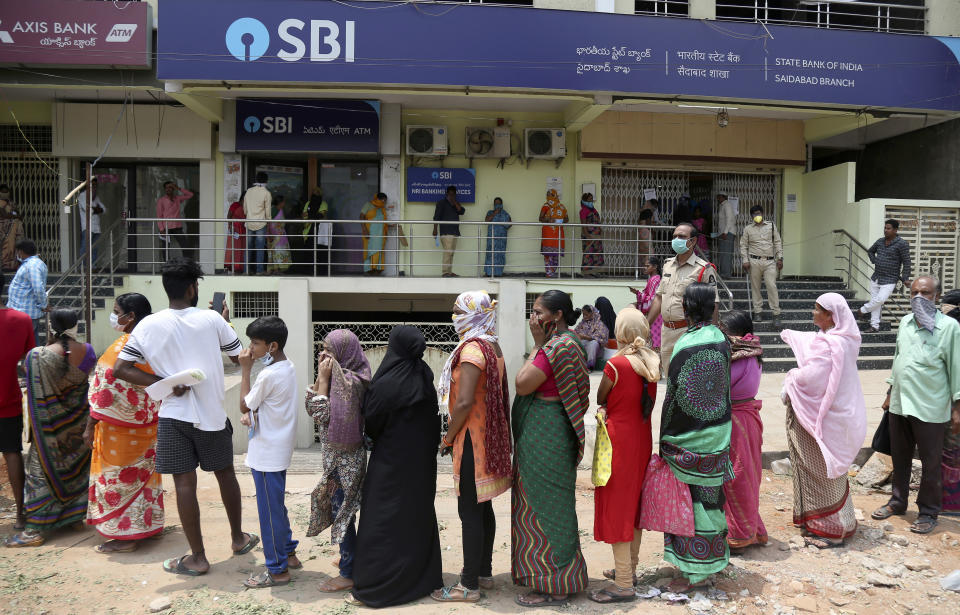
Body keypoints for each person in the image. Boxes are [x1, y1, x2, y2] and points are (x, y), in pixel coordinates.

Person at [113, 257, 255, 575]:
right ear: (192, 288)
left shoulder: (147, 325)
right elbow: (239, 355)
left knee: (184, 484)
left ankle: (198, 557)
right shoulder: (211, 320)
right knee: (225, 474)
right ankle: (237, 538)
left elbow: (121, 368)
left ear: (167, 289)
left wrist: (163, 384)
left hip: (173, 416)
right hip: (212, 415)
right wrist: (223, 324)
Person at [349, 326, 443, 607]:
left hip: (390, 462)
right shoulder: (425, 375)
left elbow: (373, 421)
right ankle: (421, 578)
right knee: (416, 515)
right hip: (420, 463)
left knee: (382, 517)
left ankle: (377, 585)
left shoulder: (387, 382)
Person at [432, 291, 512, 603]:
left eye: (458, 311)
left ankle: (468, 586)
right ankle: (484, 572)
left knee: (469, 511)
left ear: (474, 313)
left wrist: (448, 438)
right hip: (488, 435)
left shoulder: (472, 351)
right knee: (483, 506)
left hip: (472, 440)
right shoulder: (491, 343)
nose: (454, 317)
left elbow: (463, 402)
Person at [511, 290, 589, 607]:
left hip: (547, 433)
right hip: (549, 430)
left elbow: (522, 383)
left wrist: (537, 344)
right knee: (550, 502)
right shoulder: (571, 342)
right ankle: (556, 576)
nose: (534, 318)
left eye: (538, 311)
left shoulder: (555, 347)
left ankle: (556, 582)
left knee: (547, 505)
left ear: (556, 316)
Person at [656, 283, 732, 590]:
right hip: (718, 434)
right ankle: (709, 563)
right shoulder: (721, 339)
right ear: (712, 308)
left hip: (687, 438)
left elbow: (675, 395)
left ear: (687, 310)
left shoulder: (685, 344)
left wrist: (665, 435)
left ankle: (695, 573)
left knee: (689, 504)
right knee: (710, 502)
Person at [871, 276, 960, 534]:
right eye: (914, 293)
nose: (919, 297)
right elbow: (899, 358)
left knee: (931, 463)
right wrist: (890, 391)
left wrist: (957, 407)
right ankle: (898, 502)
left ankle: (928, 512)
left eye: (925, 293)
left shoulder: (950, 328)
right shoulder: (905, 323)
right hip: (900, 403)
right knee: (900, 457)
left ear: (937, 296)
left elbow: (956, 367)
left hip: (930, 407)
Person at [5, 309, 96, 547]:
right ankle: (74, 518)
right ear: (77, 325)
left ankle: (35, 530)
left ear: (50, 325)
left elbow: (27, 375)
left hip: (49, 432)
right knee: (77, 471)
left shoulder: (36, 355)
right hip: (77, 427)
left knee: (40, 472)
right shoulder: (88, 351)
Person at [781, 293, 865, 547]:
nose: (812, 313)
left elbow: (811, 379)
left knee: (815, 467)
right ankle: (843, 520)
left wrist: (791, 378)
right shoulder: (846, 340)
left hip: (821, 416)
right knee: (832, 470)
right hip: (841, 416)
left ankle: (826, 527)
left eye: (817, 310)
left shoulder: (829, 345)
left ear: (830, 316)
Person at [590, 307, 659, 604]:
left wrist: (605, 407)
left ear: (621, 333)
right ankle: (627, 569)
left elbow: (600, 397)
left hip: (618, 441)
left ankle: (623, 583)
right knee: (634, 504)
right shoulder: (651, 363)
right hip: (642, 439)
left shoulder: (616, 365)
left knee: (618, 505)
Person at [85, 293, 164, 552]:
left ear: (130, 317)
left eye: (116, 310)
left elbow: (104, 390)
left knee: (120, 477)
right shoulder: (153, 342)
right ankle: (144, 527)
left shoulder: (124, 347)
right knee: (143, 477)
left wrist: (88, 427)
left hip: (118, 429)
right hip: (148, 423)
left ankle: (126, 537)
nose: (113, 314)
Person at [306, 329, 370, 593]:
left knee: (343, 512)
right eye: (322, 349)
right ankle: (350, 558)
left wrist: (322, 378)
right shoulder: (343, 379)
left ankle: (348, 572)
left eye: (329, 351)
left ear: (344, 353)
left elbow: (318, 414)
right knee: (346, 511)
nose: (323, 355)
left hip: (344, 461)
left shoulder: (351, 383)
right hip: (337, 457)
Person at [237, 316, 300, 588]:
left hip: (266, 454)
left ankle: (277, 570)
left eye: (255, 343)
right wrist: (255, 411)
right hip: (278, 448)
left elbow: (243, 404)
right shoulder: (288, 367)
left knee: (269, 512)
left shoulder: (267, 374)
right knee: (276, 506)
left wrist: (245, 370)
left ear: (272, 346)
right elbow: (261, 405)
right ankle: (288, 552)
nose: (251, 349)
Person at [719, 310, 767, 550]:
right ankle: (749, 529)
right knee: (748, 475)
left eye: (724, 331)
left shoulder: (739, 356)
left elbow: (720, 387)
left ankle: (739, 533)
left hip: (737, 420)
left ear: (736, 333)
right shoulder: (754, 352)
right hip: (747, 418)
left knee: (735, 476)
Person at [644, 223, 720, 373]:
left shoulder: (704, 268)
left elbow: (714, 303)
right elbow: (659, 298)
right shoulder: (667, 265)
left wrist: (713, 334)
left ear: (693, 241)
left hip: (689, 331)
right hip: (666, 331)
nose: (676, 240)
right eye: (674, 236)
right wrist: (646, 326)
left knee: (688, 376)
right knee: (668, 375)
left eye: (682, 237)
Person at [0, 271, 35, 531]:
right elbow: (29, 360)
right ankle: (21, 515)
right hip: (8, 397)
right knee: (12, 452)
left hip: (9, 397)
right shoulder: (21, 320)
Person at [858, 219, 912, 332]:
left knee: (880, 300)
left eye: (889, 228)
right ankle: (874, 326)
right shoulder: (880, 241)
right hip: (876, 277)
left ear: (895, 230)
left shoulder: (902, 244)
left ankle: (862, 310)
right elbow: (870, 251)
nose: (886, 230)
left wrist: (905, 278)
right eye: (885, 228)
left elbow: (906, 262)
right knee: (875, 301)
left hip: (890, 278)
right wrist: (875, 261)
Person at [741, 205, 784, 326]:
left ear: (763, 213)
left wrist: (780, 258)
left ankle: (776, 314)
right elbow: (743, 245)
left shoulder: (771, 226)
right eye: (754, 214)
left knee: (771, 285)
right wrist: (745, 260)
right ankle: (758, 312)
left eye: (759, 213)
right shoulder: (748, 229)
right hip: (754, 261)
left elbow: (777, 242)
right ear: (751, 216)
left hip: (770, 262)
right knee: (755, 287)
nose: (757, 216)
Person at [940, 289, 960, 513]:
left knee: (951, 452)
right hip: (946, 399)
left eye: (947, 305)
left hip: (955, 402)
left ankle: (951, 502)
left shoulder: (953, 330)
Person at [7, 239, 48, 346]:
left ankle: (32, 361)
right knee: (31, 340)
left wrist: (43, 304)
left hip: (26, 311)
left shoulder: (33, 265)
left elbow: (38, 288)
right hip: (24, 310)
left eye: (18, 251)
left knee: (23, 341)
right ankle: (34, 361)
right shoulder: (30, 264)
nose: (17, 254)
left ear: (21, 251)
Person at [156, 181, 195, 261]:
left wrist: (178, 188)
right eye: (166, 188)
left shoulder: (177, 198)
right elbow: (159, 216)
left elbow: (190, 195)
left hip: (177, 227)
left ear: (173, 188)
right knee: (165, 248)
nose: (168, 189)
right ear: (164, 189)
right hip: (166, 228)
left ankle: (187, 262)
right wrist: (161, 229)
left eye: (170, 187)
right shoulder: (161, 200)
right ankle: (166, 265)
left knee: (185, 245)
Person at [631, 257, 662, 353]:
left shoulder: (655, 280)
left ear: (655, 267)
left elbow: (652, 298)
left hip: (655, 313)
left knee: (654, 340)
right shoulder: (652, 279)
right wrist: (638, 294)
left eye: (647, 266)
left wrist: (640, 296)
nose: (645, 268)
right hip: (654, 311)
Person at [433, 186, 465, 278]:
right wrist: (435, 229)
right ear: (446, 194)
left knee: (451, 253)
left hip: (455, 231)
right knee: (448, 252)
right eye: (450, 194)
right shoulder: (441, 203)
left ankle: (450, 272)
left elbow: (461, 211)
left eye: (453, 194)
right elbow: (436, 217)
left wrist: (455, 202)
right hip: (446, 231)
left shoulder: (456, 204)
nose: (451, 196)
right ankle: (445, 272)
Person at [244, 172, 272, 275]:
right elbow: (268, 211)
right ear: (266, 181)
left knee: (248, 247)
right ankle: (259, 271)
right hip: (261, 223)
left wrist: (249, 215)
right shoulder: (266, 193)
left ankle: (246, 270)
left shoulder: (249, 191)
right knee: (260, 247)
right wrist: (269, 221)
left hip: (249, 222)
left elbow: (245, 208)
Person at [539, 189, 568, 278]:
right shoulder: (545, 206)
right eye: (547, 195)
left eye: (551, 195)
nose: (549, 197)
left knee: (556, 254)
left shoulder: (562, 207)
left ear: (555, 195)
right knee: (548, 254)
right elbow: (540, 218)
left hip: (558, 232)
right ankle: (549, 273)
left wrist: (561, 220)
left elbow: (567, 219)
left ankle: (553, 272)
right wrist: (548, 220)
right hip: (548, 233)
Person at [301, 186, 330, 276]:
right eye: (314, 192)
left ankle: (320, 272)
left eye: (317, 192)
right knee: (309, 252)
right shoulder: (308, 203)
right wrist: (311, 216)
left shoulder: (323, 204)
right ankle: (309, 271)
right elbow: (303, 214)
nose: (315, 194)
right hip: (308, 230)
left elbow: (321, 215)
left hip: (319, 231)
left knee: (320, 252)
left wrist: (309, 215)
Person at [77, 177, 105, 265]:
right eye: (92, 185)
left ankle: (93, 267)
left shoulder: (96, 198)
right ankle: (82, 268)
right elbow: (88, 210)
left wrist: (96, 209)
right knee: (85, 248)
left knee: (95, 248)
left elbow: (104, 209)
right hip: (87, 227)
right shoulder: (82, 196)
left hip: (96, 227)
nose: (94, 187)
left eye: (96, 186)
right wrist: (96, 209)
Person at [360, 193, 388, 276]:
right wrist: (364, 230)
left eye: (385, 201)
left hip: (380, 235)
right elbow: (361, 216)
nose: (384, 202)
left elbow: (382, 221)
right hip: (369, 233)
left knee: (379, 252)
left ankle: (377, 270)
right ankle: (369, 270)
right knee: (369, 251)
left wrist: (390, 225)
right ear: (377, 199)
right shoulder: (368, 205)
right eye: (383, 200)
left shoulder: (382, 208)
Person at [573, 305, 608, 371]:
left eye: (586, 314)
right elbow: (576, 332)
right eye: (583, 315)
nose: (584, 316)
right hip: (584, 345)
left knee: (593, 343)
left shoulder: (599, 324)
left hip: (596, 350)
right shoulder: (582, 323)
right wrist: (578, 337)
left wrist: (585, 337)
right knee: (575, 342)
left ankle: (590, 366)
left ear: (592, 313)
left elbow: (601, 339)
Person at [484, 197, 512, 277]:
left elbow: (510, 224)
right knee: (490, 255)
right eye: (496, 203)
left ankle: (498, 273)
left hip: (501, 240)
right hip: (492, 238)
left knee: (500, 256)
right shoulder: (490, 212)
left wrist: (502, 223)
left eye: (499, 203)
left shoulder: (505, 214)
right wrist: (494, 213)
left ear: (502, 204)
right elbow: (486, 221)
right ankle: (489, 273)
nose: (497, 205)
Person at [579, 193, 604, 276]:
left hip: (597, 236)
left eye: (591, 199)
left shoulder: (594, 210)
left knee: (597, 254)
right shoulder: (583, 211)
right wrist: (587, 235)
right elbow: (583, 224)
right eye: (589, 200)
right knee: (588, 254)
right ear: (584, 201)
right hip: (589, 235)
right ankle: (586, 273)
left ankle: (595, 271)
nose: (591, 201)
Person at [266, 195, 292, 274]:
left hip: (281, 236)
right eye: (283, 201)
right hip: (274, 235)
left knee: (280, 251)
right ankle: (275, 270)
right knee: (275, 252)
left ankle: (278, 269)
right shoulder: (273, 210)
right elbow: (268, 223)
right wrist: (269, 234)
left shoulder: (280, 210)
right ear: (280, 203)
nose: (284, 203)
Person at [714, 193, 737, 277]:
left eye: (719, 197)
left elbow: (729, 219)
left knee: (726, 254)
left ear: (723, 197)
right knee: (723, 254)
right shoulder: (722, 206)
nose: (718, 198)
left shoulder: (727, 205)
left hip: (727, 233)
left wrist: (725, 232)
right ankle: (724, 273)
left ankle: (726, 274)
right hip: (723, 233)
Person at [0, 198, 25, 271]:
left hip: (11, 231)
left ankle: (9, 266)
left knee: (10, 247)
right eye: (3, 192)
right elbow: (4, 214)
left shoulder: (11, 204)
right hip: (4, 230)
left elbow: (17, 214)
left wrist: (14, 215)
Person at [224, 191, 246, 274]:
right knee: (231, 248)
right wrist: (230, 227)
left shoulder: (246, 207)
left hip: (243, 230)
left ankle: (239, 267)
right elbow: (229, 216)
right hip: (234, 229)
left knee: (241, 249)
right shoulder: (235, 205)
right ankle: (228, 267)